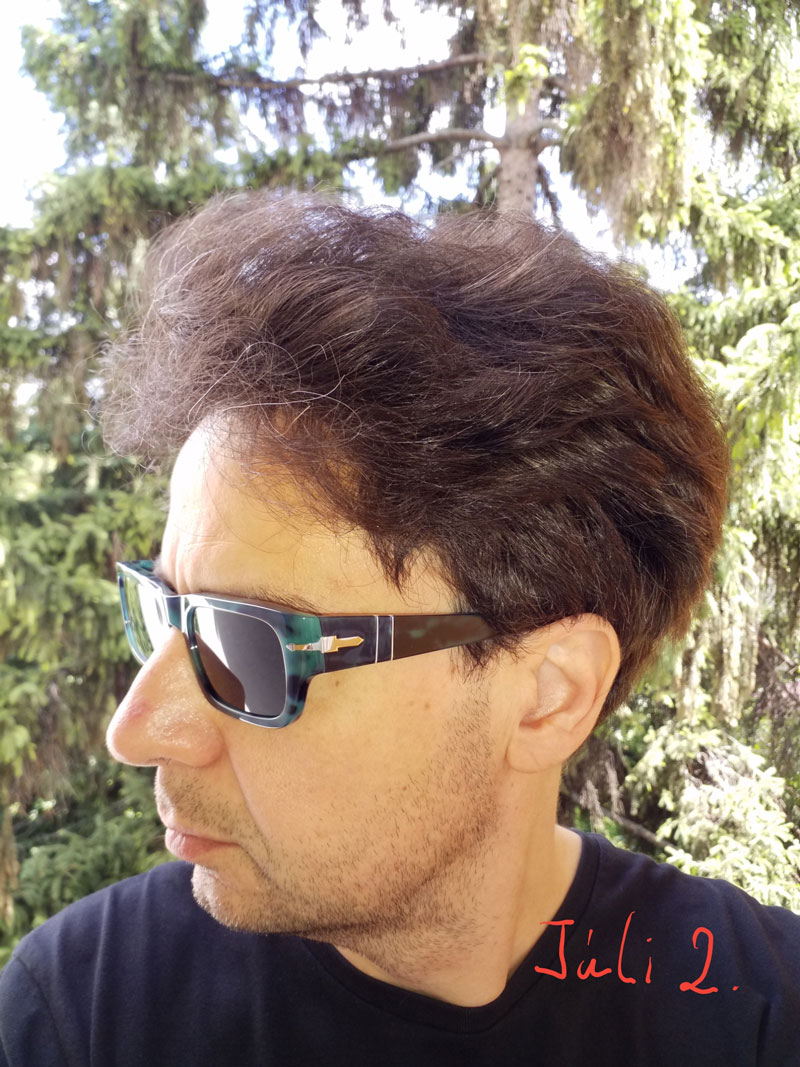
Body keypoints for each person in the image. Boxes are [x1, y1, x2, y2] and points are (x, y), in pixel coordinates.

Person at [1, 190, 798, 1067]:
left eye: (249, 646)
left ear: (549, 694)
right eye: (165, 611)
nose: (135, 729)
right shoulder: (81, 1014)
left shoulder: (760, 1018)